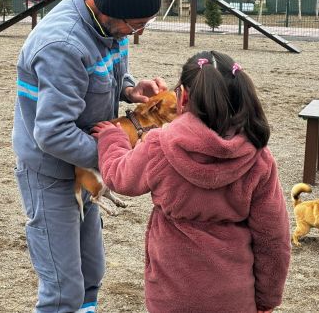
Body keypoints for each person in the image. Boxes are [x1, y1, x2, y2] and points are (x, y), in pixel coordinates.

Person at [12, 0, 167, 313]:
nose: (135, 34)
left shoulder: (111, 30)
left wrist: (130, 88)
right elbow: (53, 133)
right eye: (136, 25)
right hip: (51, 169)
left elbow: (103, 78)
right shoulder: (63, 45)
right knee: (63, 286)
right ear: (112, 13)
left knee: (90, 270)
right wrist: (114, 157)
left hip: (85, 168)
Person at [92, 50, 291, 313]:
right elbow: (273, 239)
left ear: (182, 96)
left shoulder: (160, 145)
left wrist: (112, 139)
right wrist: (268, 299)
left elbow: (120, 177)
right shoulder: (258, 158)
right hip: (234, 296)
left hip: (171, 293)